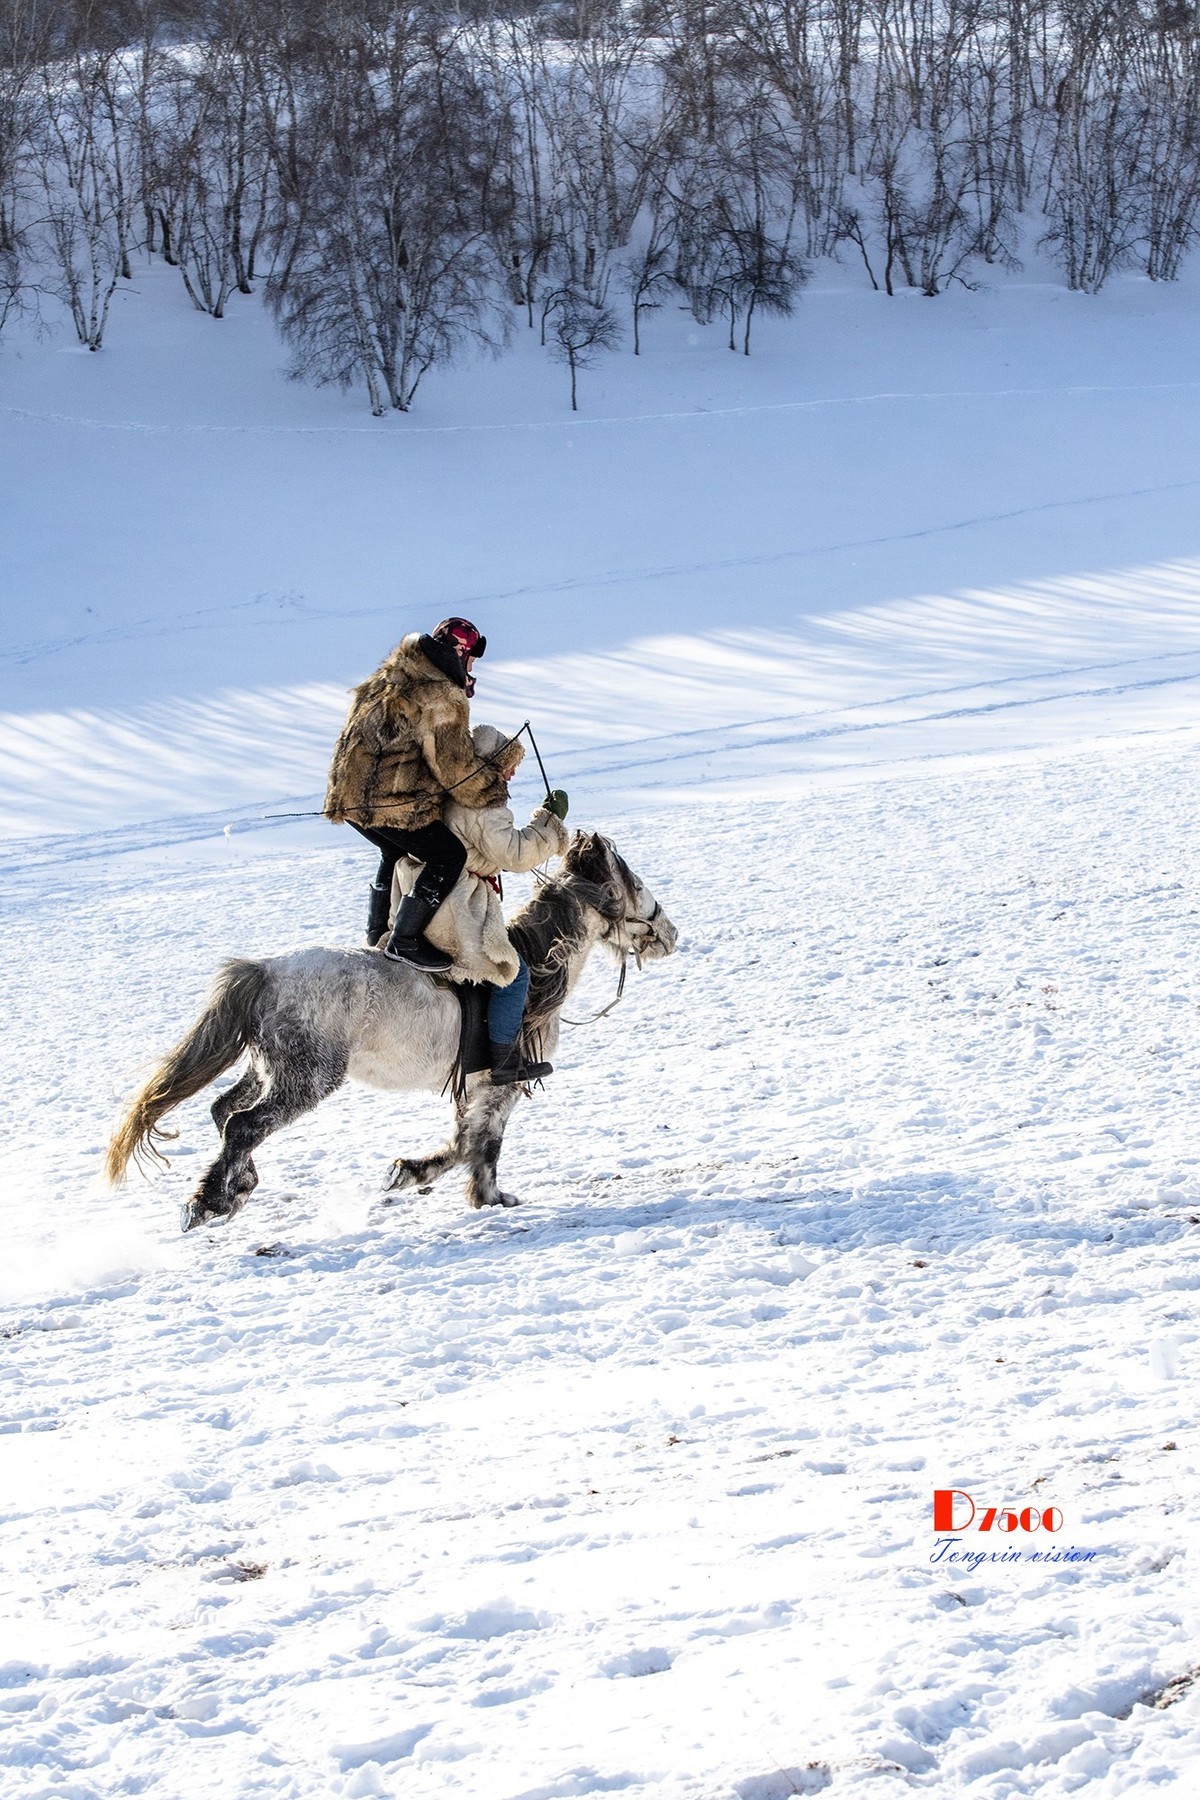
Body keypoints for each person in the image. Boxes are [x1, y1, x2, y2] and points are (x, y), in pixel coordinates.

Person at [392, 723, 570, 1084]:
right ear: (493, 764)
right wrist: (549, 823)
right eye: (509, 765)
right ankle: (504, 1062)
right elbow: (516, 854)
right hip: (455, 907)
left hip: (426, 895)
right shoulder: (484, 805)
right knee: (514, 974)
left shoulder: (451, 793)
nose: (513, 772)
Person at [324, 618, 493, 971]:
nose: (473, 668)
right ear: (458, 655)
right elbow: (455, 769)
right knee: (448, 856)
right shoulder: (441, 694)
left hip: (350, 796)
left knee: (394, 847)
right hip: (391, 799)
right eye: (471, 660)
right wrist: (491, 789)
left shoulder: (389, 676)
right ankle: (404, 940)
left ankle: (376, 933)